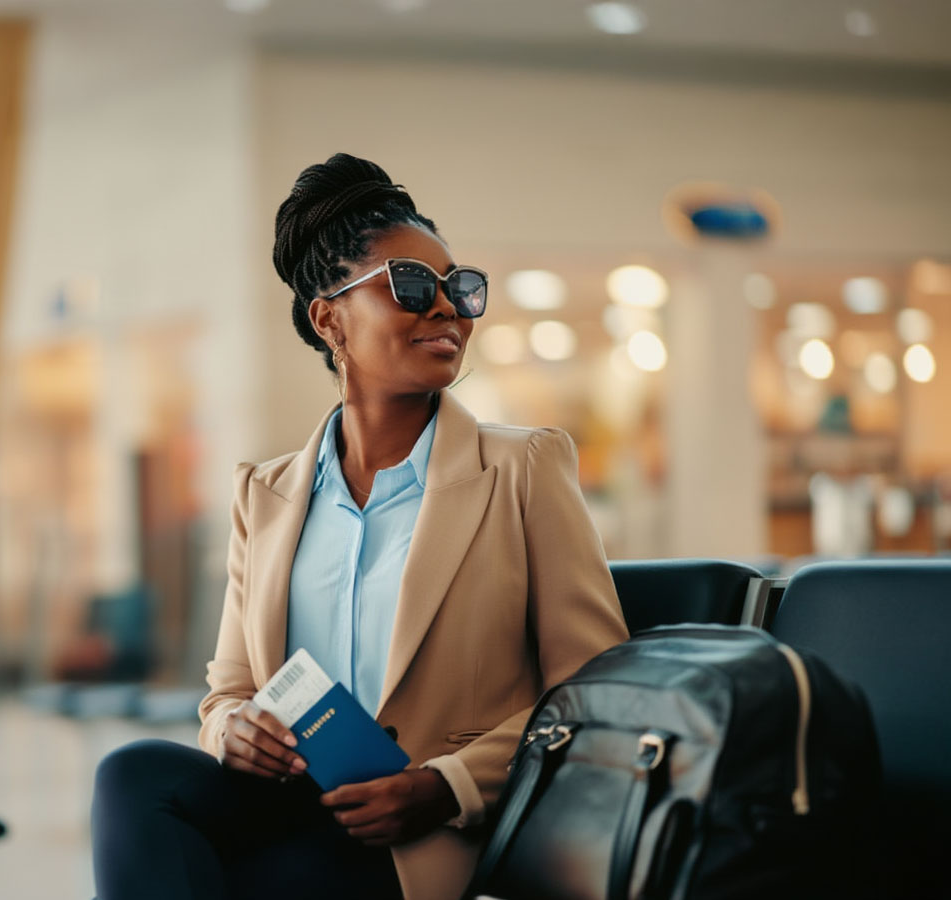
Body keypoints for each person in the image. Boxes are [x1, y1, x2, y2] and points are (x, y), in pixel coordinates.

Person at [91, 153, 628, 900]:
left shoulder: (523, 468)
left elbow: (595, 693)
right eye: (411, 285)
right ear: (329, 318)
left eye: (459, 290)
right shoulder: (267, 492)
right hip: (285, 806)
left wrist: (444, 787)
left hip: (422, 839)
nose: (446, 309)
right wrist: (234, 731)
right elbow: (228, 692)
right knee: (135, 775)